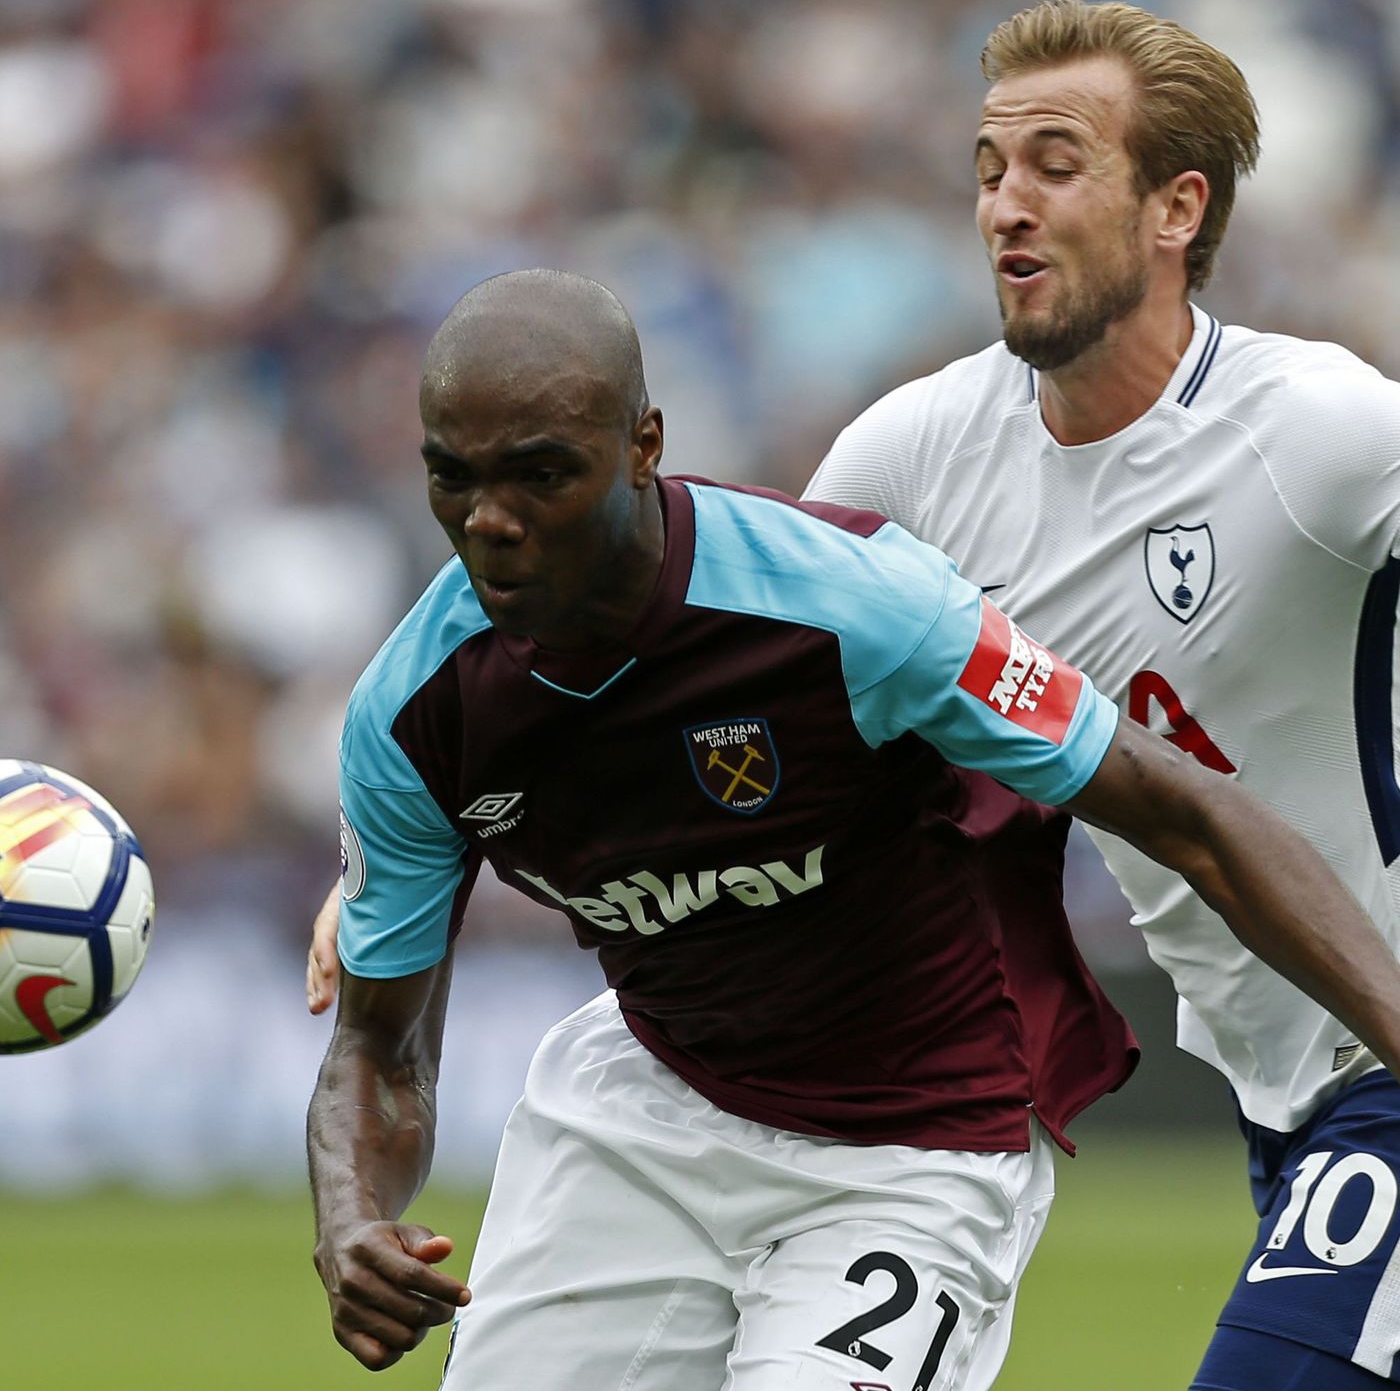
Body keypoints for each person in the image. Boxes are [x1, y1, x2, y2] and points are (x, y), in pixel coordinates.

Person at [308, 266, 1400, 1391]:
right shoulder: (411, 711)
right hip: (649, 1106)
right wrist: (350, 1217)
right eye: (454, 478)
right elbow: (377, 1047)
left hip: (912, 1147)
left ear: (643, 446)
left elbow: (1188, 811)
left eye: (541, 475)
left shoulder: (850, 605)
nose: (491, 523)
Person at [802, 0, 1400, 1388]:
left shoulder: (1318, 432)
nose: (1006, 204)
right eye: (989, 169)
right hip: (1281, 1092)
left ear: (1175, 208)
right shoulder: (912, 458)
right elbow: (708, 644)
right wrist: (408, 838)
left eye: (1056, 165)